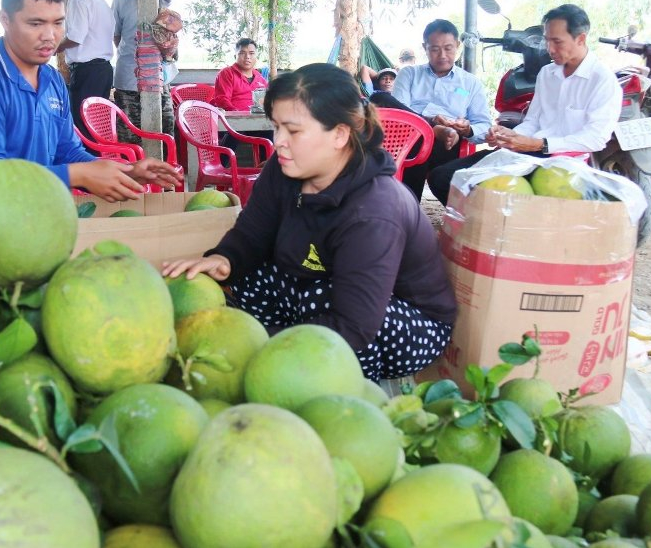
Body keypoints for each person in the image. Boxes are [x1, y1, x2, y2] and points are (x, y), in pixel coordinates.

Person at [162, 63, 456, 382]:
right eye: (276, 128)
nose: (279, 142)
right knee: (250, 275)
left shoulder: (374, 210)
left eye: (293, 131)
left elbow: (354, 326)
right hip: (319, 286)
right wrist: (225, 259)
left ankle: (336, 389)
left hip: (401, 324)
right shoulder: (286, 167)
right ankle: (276, 352)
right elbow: (253, 231)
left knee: (324, 300)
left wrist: (252, 343)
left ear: (340, 134)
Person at [0, 0, 180, 211]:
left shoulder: (52, 80)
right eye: (36, 24)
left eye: (58, 23)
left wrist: (125, 171)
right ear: (5, 19)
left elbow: (67, 151)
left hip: (27, 218)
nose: (50, 35)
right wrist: (78, 175)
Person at [427, 4, 621, 205]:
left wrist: (538, 144)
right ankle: (479, 229)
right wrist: (510, 135)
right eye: (547, 41)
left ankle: (496, 228)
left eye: (557, 42)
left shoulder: (602, 79)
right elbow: (533, 122)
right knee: (442, 177)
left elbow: (595, 139)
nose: (550, 49)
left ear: (581, 39)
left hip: (565, 164)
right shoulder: (547, 73)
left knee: (503, 197)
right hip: (527, 155)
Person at [391, 19, 491, 200]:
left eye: (448, 48)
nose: (442, 55)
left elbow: (484, 125)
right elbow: (401, 117)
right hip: (408, 139)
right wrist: (430, 125)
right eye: (435, 49)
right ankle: (431, 128)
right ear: (425, 47)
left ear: (458, 45)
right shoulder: (409, 75)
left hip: (447, 144)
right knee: (380, 100)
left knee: (428, 142)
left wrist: (467, 129)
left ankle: (408, 210)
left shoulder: (470, 83)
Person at [111, 0, 175, 144]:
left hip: (158, 78)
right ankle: (132, 174)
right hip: (128, 78)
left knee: (165, 130)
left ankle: (161, 173)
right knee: (130, 136)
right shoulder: (121, 0)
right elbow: (116, 36)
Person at [56, 0, 115, 135]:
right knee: (97, 128)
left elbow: (75, 37)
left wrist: (54, 47)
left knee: (83, 128)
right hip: (103, 70)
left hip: (87, 72)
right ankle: (98, 161)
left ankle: (88, 162)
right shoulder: (99, 0)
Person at [210, 38, 269, 111]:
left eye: (251, 53)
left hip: (257, 118)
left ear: (256, 57)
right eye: (242, 53)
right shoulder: (227, 73)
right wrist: (239, 116)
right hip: (232, 119)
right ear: (235, 56)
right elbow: (222, 100)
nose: (247, 57)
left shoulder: (260, 77)